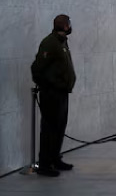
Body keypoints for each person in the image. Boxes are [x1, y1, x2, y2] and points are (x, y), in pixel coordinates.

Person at [31, 14, 77, 177]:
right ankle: (44, 164)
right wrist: (49, 86)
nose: (70, 26)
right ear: (64, 26)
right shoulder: (49, 43)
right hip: (52, 94)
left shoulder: (62, 42)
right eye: (69, 24)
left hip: (62, 93)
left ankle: (55, 158)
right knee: (49, 129)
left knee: (59, 127)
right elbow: (37, 68)